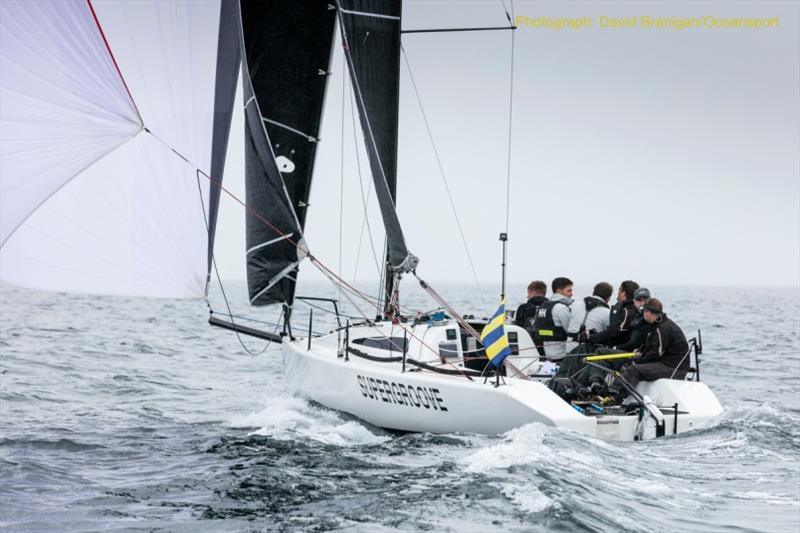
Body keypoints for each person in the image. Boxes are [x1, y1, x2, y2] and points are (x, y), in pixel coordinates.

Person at [618, 298, 690, 392]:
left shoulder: (662, 328)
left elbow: (655, 354)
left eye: (643, 311)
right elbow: (652, 347)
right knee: (629, 363)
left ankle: (615, 397)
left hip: (674, 369)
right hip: (666, 363)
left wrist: (638, 360)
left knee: (634, 369)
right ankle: (611, 391)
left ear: (648, 313)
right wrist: (641, 352)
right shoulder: (656, 325)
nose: (642, 314)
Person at [583, 280, 640, 348]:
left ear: (623, 293)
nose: (617, 293)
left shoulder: (627, 311)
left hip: (619, 351)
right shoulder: (630, 310)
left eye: (619, 290)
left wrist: (590, 337)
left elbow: (613, 332)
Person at [531, 277, 573, 360]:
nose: (572, 294)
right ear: (559, 291)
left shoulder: (543, 306)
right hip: (562, 354)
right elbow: (571, 330)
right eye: (569, 291)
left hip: (546, 353)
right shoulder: (561, 308)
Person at [566, 282, 613, 353]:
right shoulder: (607, 313)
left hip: (569, 351)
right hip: (589, 354)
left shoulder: (574, 305)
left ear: (593, 292)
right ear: (608, 298)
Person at [615, 287, 652, 352]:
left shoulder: (650, 317)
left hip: (637, 354)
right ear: (634, 301)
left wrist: (616, 347)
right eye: (640, 300)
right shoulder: (632, 315)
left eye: (645, 300)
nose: (643, 303)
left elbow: (635, 342)